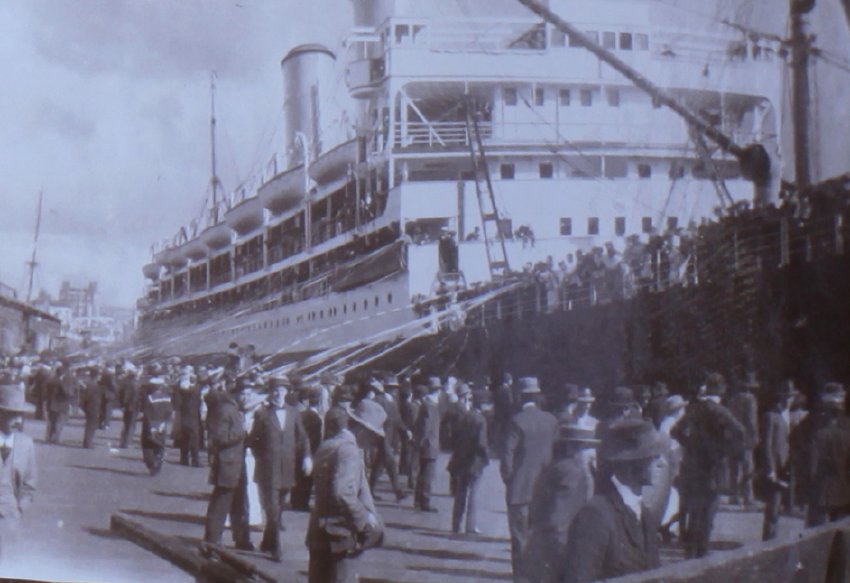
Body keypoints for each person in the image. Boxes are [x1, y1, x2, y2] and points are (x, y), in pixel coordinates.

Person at [562, 418, 667, 583]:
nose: (662, 463)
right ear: (630, 464)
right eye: (654, 457)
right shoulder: (595, 516)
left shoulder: (644, 514)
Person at [306, 404, 384, 583]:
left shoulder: (329, 445)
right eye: (373, 436)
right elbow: (343, 493)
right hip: (339, 535)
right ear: (363, 429)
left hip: (319, 530)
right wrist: (364, 519)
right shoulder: (349, 451)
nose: (373, 441)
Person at [672, 373, 745, 558]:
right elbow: (740, 432)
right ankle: (701, 556)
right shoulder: (721, 411)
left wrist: (690, 445)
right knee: (708, 514)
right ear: (722, 389)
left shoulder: (694, 409)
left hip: (693, 468)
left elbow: (675, 431)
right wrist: (724, 450)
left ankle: (690, 554)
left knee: (694, 514)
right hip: (713, 468)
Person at [501, 377, 558, 583]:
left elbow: (507, 456)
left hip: (520, 490)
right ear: (537, 396)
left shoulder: (516, 420)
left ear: (520, 397)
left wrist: (509, 480)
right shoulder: (551, 420)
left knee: (520, 539)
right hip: (545, 490)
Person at [524, 424, 598, 583]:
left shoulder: (555, 467)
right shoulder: (574, 472)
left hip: (543, 538)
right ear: (574, 448)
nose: (591, 453)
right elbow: (559, 514)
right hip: (561, 541)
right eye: (587, 448)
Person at [248, 378, 311, 561]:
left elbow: (303, 438)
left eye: (281, 390)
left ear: (286, 392)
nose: (278, 394)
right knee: (272, 508)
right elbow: (253, 441)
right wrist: (265, 456)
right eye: (275, 390)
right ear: (270, 392)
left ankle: (267, 542)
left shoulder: (293, 413)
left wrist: (307, 457)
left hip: (288, 468)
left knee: (280, 507)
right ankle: (276, 548)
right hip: (268, 469)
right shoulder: (262, 414)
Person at [204, 384, 253, 551]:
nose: (246, 397)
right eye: (243, 393)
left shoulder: (236, 410)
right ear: (235, 393)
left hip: (237, 464)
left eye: (249, 394)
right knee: (221, 502)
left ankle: (242, 540)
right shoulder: (226, 410)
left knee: (240, 503)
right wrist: (243, 433)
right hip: (227, 464)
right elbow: (219, 437)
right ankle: (212, 539)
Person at [0, 381, 37, 557]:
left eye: (21, 415)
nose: (18, 421)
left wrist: (20, 508)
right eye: (12, 415)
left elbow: (29, 485)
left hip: (9, 521)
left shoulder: (25, 444)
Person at [805, 382, 850, 526]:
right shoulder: (847, 428)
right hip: (844, 491)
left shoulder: (815, 429)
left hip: (821, 491)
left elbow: (812, 463)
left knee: (817, 534)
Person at [447, 383, 489, 534]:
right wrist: (486, 456)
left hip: (461, 459)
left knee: (460, 493)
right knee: (474, 494)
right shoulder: (481, 420)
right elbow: (481, 443)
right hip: (475, 461)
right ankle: (470, 525)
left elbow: (455, 437)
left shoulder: (464, 416)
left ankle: (456, 524)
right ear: (482, 404)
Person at [760, 380, 798, 540]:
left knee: (783, 508)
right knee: (773, 508)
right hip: (775, 468)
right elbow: (766, 445)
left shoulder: (788, 416)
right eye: (786, 397)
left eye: (791, 397)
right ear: (780, 398)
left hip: (786, 467)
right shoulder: (771, 416)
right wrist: (770, 469)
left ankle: (774, 540)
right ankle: (768, 541)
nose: (789, 400)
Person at [369, 376, 408, 502]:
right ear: (387, 388)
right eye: (392, 388)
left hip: (389, 436)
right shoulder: (378, 400)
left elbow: (397, 419)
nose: (394, 390)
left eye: (395, 388)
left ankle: (369, 489)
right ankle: (398, 491)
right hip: (381, 436)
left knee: (378, 465)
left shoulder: (393, 401)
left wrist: (404, 431)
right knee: (391, 463)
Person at [726, 372, 760, 506]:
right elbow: (751, 420)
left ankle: (733, 496)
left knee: (734, 467)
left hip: (733, 436)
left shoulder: (732, 399)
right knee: (748, 468)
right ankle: (748, 497)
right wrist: (755, 436)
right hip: (745, 437)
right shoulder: (750, 399)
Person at [291, 386, 323, 511]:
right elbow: (316, 436)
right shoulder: (312, 416)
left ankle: (295, 500)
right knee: (306, 478)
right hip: (309, 449)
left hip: (293, 449)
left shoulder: (292, 412)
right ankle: (302, 503)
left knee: (296, 476)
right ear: (306, 400)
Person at [413, 377, 443, 512]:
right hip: (430, 443)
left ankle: (418, 499)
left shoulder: (426, 404)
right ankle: (425, 501)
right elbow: (426, 426)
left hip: (426, 443)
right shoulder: (431, 406)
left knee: (423, 473)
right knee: (428, 474)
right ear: (438, 390)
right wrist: (422, 441)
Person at [141, 376, 173, 475]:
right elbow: (169, 411)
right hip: (162, 423)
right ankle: (158, 462)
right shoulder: (167, 397)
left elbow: (147, 412)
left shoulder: (149, 398)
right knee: (160, 444)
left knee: (147, 444)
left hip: (151, 423)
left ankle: (151, 463)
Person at [174, 366, 202, 467]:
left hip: (184, 414)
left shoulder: (179, 385)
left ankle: (184, 459)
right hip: (191, 414)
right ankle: (195, 460)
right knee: (194, 437)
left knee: (185, 437)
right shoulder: (193, 387)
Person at [45, 363, 74, 445]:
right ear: (62, 373)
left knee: (51, 422)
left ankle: (48, 437)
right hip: (60, 404)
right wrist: (70, 396)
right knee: (59, 422)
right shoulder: (61, 382)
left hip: (51, 404)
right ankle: (55, 438)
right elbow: (65, 393)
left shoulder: (50, 381)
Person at [118, 365, 142, 449]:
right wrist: (124, 404)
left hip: (130, 406)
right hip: (132, 406)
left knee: (127, 424)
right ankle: (126, 443)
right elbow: (126, 396)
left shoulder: (127, 383)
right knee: (130, 424)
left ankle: (125, 442)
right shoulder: (133, 384)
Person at [80, 367, 102, 449]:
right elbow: (87, 397)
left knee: (90, 425)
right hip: (92, 408)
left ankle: (88, 442)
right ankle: (88, 443)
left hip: (90, 407)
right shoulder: (93, 385)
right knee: (91, 426)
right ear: (96, 375)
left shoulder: (90, 384)